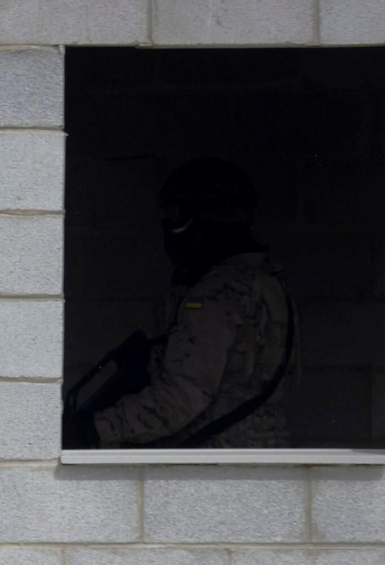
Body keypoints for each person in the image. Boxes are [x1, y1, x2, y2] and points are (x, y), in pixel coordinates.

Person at [66, 157, 296, 449]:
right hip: (263, 455)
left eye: (175, 216)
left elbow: (180, 398)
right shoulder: (267, 282)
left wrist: (94, 430)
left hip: (213, 464)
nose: (168, 231)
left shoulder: (215, 294)